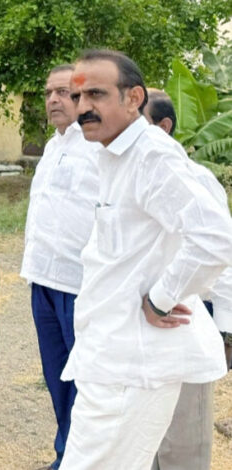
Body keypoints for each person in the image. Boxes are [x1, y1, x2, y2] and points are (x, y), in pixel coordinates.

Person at [60, 50, 232, 469]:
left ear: (134, 98)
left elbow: (214, 236)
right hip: (109, 356)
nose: (83, 108)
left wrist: (162, 297)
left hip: (133, 364)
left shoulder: (151, 155)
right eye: (77, 97)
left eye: (96, 94)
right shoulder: (113, 155)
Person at [144, 89, 232, 470]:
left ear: (163, 127)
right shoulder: (126, 177)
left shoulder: (194, 179)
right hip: (141, 347)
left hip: (183, 332)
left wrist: (227, 331)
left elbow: (220, 253)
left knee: (181, 453)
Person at [20, 65, 100, 470]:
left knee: (85, 378)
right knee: (56, 375)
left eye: (63, 92)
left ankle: (81, 458)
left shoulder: (98, 146)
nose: (53, 99)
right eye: (48, 92)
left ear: (83, 97)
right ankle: (65, 454)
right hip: (43, 278)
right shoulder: (51, 148)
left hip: (80, 282)